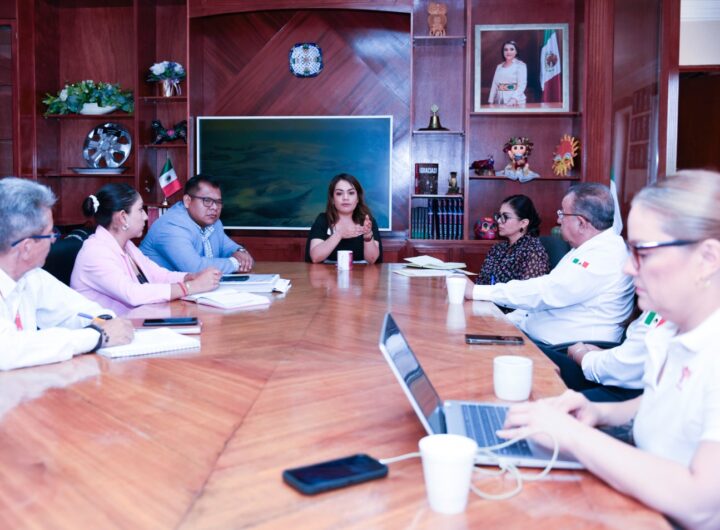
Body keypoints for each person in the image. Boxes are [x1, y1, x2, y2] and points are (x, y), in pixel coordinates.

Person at [500, 170, 720, 529]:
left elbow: (701, 505)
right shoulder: (671, 328)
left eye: (643, 252)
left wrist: (573, 436)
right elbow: (664, 403)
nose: (627, 267)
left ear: (707, 258)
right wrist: (598, 411)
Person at [465, 183, 634, 346]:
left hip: (565, 351)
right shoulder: (583, 249)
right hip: (534, 337)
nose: (558, 220)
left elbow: (546, 292)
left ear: (581, 223)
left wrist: (476, 291)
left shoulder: (604, 255)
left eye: (563, 214)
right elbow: (537, 303)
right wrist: (503, 322)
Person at [0, 177, 133, 371]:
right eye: (50, 233)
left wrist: (105, 321)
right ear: (26, 247)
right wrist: (97, 336)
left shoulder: (31, 276)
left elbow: (76, 310)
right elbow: (8, 350)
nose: (54, 240)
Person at [71, 184, 221, 315]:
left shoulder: (127, 245)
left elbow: (158, 275)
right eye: (140, 210)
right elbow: (132, 294)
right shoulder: (95, 253)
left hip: (133, 323)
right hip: (106, 332)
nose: (145, 216)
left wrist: (191, 277)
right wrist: (191, 287)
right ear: (123, 217)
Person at [542, 311, 667, 402]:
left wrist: (580, 353)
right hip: (611, 370)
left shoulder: (662, 318)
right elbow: (631, 352)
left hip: (624, 389)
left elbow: (618, 368)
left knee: (553, 406)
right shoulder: (654, 313)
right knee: (539, 356)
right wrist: (601, 353)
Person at [140, 175, 254, 274]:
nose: (214, 207)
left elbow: (229, 247)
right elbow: (195, 268)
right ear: (187, 201)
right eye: (207, 200)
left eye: (218, 202)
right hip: (156, 289)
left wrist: (240, 252)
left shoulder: (214, 223)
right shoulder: (171, 226)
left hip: (190, 288)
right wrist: (236, 263)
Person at [305, 174, 382, 264]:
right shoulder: (323, 220)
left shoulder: (367, 221)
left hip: (361, 273)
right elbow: (315, 257)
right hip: (327, 273)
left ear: (358, 198)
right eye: (339, 193)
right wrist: (339, 234)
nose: (345, 198)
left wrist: (367, 236)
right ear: (332, 199)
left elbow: (372, 260)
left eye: (351, 193)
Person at [476, 194, 549, 285]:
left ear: (523, 223)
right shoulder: (497, 248)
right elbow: (481, 281)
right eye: (499, 216)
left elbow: (528, 291)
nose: (499, 221)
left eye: (506, 217)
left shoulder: (533, 251)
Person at [488, 40, 527, 106]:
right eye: (506, 50)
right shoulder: (499, 67)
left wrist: (513, 99)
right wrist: (490, 101)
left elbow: (522, 85)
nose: (508, 52)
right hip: (499, 101)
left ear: (516, 51)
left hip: (516, 102)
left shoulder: (520, 65)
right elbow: (494, 85)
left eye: (512, 49)